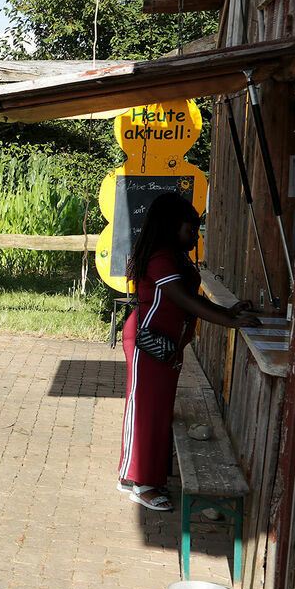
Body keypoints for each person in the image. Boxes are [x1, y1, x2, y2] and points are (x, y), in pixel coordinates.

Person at [119, 193, 261, 511]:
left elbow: (191, 298)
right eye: (190, 230)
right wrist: (229, 320)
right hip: (150, 343)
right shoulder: (161, 259)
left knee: (156, 410)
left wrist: (229, 312)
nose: (195, 236)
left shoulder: (174, 256)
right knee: (147, 411)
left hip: (166, 345)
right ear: (172, 227)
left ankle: (135, 475)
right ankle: (142, 484)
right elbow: (185, 300)